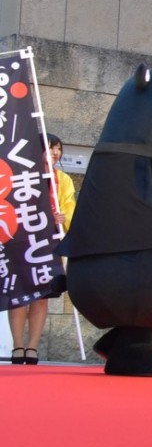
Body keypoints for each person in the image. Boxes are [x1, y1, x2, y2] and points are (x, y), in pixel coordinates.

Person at [8, 134, 75, 365]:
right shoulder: (21, 177)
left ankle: (33, 347)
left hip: (49, 245)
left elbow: (69, 210)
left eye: (58, 148)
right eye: (50, 148)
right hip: (22, 243)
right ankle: (18, 345)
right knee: (19, 296)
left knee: (42, 297)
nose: (55, 153)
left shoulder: (63, 179)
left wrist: (62, 218)